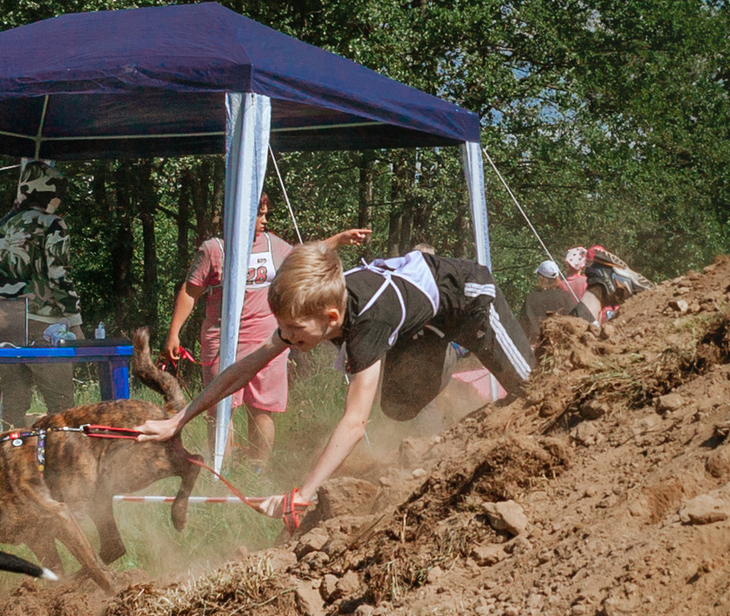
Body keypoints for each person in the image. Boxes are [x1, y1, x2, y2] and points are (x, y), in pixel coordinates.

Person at [136, 234, 532, 522]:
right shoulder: (317, 309)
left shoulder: (367, 323)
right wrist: (179, 418)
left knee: (532, 389)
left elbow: (355, 423)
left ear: (330, 317)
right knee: (397, 407)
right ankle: (442, 347)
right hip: (422, 326)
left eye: (294, 330)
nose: (286, 338)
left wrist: (301, 495)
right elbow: (245, 367)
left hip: (470, 300)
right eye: (282, 327)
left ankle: (456, 348)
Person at [167, 197, 294, 466]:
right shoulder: (214, 249)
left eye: (266, 214)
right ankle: (219, 472)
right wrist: (174, 333)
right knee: (220, 407)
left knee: (262, 408)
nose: (265, 221)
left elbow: (306, 258)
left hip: (267, 341)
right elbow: (190, 292)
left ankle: (257, 472)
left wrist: (339, 240)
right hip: (221, 341)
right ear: (241, 214)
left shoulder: (274, 246)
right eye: (259, 215)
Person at [0, 160, 78, 427]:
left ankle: (7, 451)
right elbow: (59, 276)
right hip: (44, 322)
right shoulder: (53, 224)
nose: (60, 200)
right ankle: (64, 452)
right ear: (48, 192)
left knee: (12, 405)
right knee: (62, 405)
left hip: (6, 321)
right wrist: (75, 322)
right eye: (58, 193)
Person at [520, 258, 598, 344]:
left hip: (537, 344)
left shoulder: (531, 298)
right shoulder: (564, 296)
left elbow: (523, 325)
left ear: (542, 278)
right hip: (560, 344)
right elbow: (575, 319)